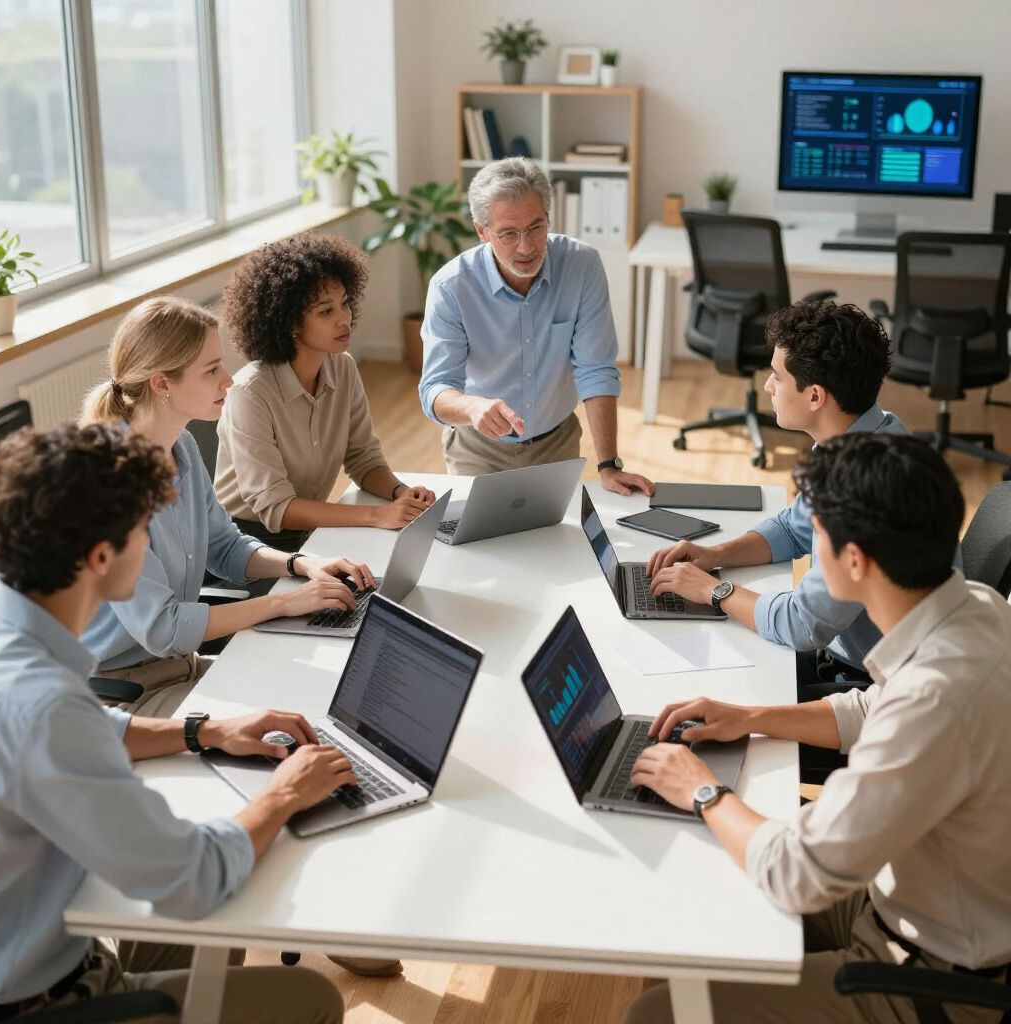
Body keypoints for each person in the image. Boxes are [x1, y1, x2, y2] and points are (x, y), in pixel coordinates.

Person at [624, 433, 1011, 1024]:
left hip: (930, 975)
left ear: (854, 561)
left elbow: (795, 874)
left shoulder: (932, 701)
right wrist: (750, 717)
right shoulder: (978, 607)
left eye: (818, 534)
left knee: (658, 1013)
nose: (810, 549)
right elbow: (868, 710)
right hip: (907, 890)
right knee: (704, 882)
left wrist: (702, 790)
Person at [0, 423, 352, 1022]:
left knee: (215, 892)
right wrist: (285, 794)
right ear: (100, 555)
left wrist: (202, 730)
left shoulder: (7, 630)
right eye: (143, 533)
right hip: (36, 1000)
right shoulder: (45, 706)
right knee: (310, 1000)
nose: (151, 547)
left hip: (34, 938)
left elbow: (82, 728)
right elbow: (196, 876)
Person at [79, 296, 374, 718]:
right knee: (294, 722)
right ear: (162, 384)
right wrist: (284, 603)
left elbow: (225, 547)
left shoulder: (180, 445)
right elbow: (163, 629)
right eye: (212, 369)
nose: (229, 381)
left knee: (323, 686)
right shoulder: (108, 486)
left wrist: (301, 564)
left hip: (179, 667)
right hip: (122, 695)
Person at [646, 300, 909, 698]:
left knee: (697, 684)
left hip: (876, 689)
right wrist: (713, 556)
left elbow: (804, 625)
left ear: (815, 396)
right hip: (848, 653)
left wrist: (714, 591)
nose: (767, 387)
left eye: (777, 377)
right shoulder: (867, 433)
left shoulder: (861, 490)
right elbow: (792, 528)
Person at [419, 157, 653, 496]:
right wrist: (473, 407)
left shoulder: (581, 265)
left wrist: (608, 465)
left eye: (535, 228)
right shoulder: (451, 286)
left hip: (555, 443)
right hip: (478, 447)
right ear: (482, 231)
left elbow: (595, 369)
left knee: (554, 544)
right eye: (509, 234)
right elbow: (436, 389)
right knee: (480, 546)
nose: (526, 247)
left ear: (548, 218)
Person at [216, 232, 436, 551]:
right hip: (246, 545)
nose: (344, 319)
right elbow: (275, 507)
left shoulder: (342, 368)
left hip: (311, 530)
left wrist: (401, 494)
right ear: (289, 323)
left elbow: (363, 457)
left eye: (344, 303)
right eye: (325, 311)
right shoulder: (250, 392)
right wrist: (378, 516)